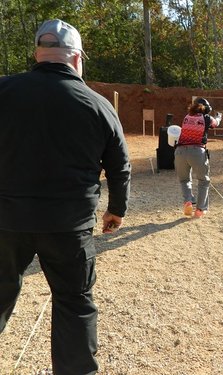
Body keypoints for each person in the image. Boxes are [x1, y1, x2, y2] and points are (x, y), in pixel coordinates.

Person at [0, 19, 131, 374]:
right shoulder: (99, 104)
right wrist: (116, 210)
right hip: (68, 226)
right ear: (77, 60)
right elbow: (120, 167)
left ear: (38, 55)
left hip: (6, 220)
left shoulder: (4, 91)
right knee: (74, 303)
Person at [174, 98, 222, 218]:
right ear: (206, 109)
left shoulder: (187, 117)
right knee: (203, 181)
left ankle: (188, 201)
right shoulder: (206, 118)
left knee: (184, 180)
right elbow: (215, 123)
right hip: (196, 151)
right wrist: (219, 117)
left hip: (179, 151)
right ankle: (200, 210)